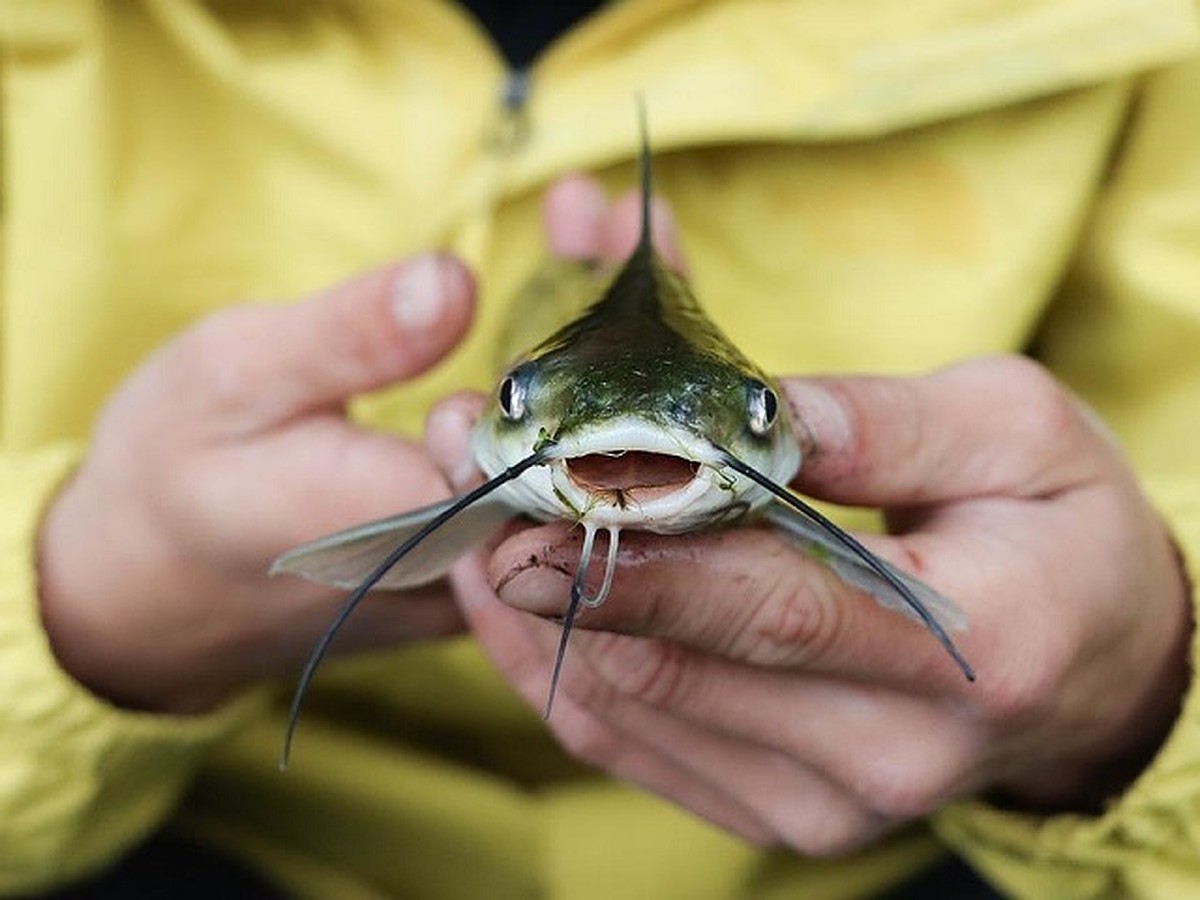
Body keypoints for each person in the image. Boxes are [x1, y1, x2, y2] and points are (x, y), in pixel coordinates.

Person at [2, 1, 1199, 897]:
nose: (627, 453)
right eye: (538, 412)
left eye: (749, 421)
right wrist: (87, 616)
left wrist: (1140, 694)